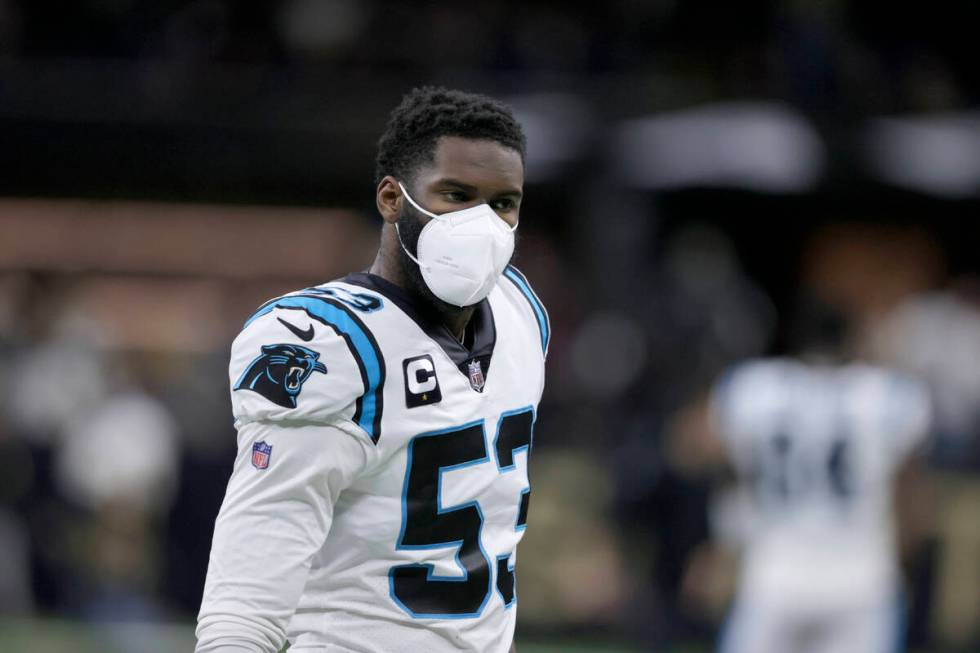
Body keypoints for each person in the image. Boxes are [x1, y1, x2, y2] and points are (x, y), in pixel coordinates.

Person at [196, 87, 549, 653]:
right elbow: (258, 558)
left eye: (503, 203)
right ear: (392, 198)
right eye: (456, 194)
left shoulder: (519, 312)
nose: (483, 223)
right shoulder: (331, 343)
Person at [691, 299, 931, 653]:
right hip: (862, 576)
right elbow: (910, 500)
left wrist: (726, 534)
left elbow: (692, 445)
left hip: (776, 574)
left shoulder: (755, 388)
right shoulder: (886, 393)